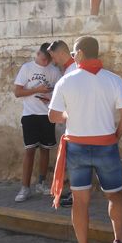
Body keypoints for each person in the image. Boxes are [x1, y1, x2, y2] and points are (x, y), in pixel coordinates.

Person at [48, 36, 122, 243]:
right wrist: (115, 136)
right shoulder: (113, 79)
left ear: (80, 53)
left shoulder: (66, 81)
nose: (73, 57)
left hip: (77, 146)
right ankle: (119, 242)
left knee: (80, 201)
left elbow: (53, 116)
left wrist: (69, 114)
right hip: (106, 145)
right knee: (115, 195)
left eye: (74, 53)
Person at [13, 43, 61, 202]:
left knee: (46, 150)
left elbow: (59, 93)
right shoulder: (27, 68)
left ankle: (41, 183)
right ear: (38, 54)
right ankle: (25, 188)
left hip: (47, 115)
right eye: (43, 59)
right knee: (30, 151)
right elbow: (17, 92)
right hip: (30, 115)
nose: (46, 63)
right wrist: (37, 90)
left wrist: (50, 98)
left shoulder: (54, 71)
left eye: (49, 60)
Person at [47, 40, 77, 208]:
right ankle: (74, 192)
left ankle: (76, 194)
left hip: (74, 124)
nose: (53, 61)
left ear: (60, 53)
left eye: (53, 57)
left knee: (75, 161)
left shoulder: (72, 70)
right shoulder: (70, 69)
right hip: (72, 122)